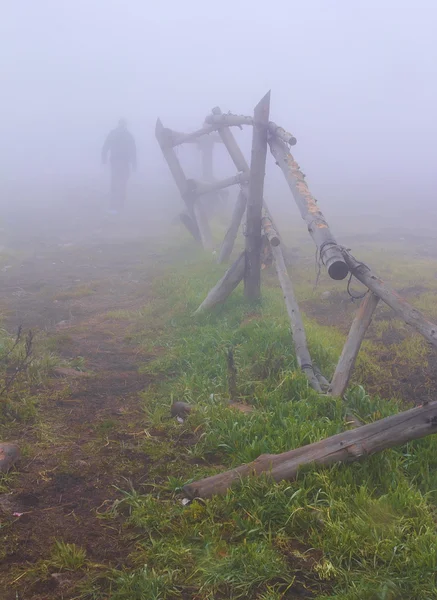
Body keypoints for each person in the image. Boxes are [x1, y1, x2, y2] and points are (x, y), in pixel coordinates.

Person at [101, 119, 136, 214]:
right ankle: (120, 206)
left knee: (115, 182)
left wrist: (104, 158)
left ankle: (113, 206)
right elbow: (133, 150)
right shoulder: (128, 135)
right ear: (125, 124)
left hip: (116, 162)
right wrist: (134, 164)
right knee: (122, 183)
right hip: (123, 162)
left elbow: (106, 146)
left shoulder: (114, 133)